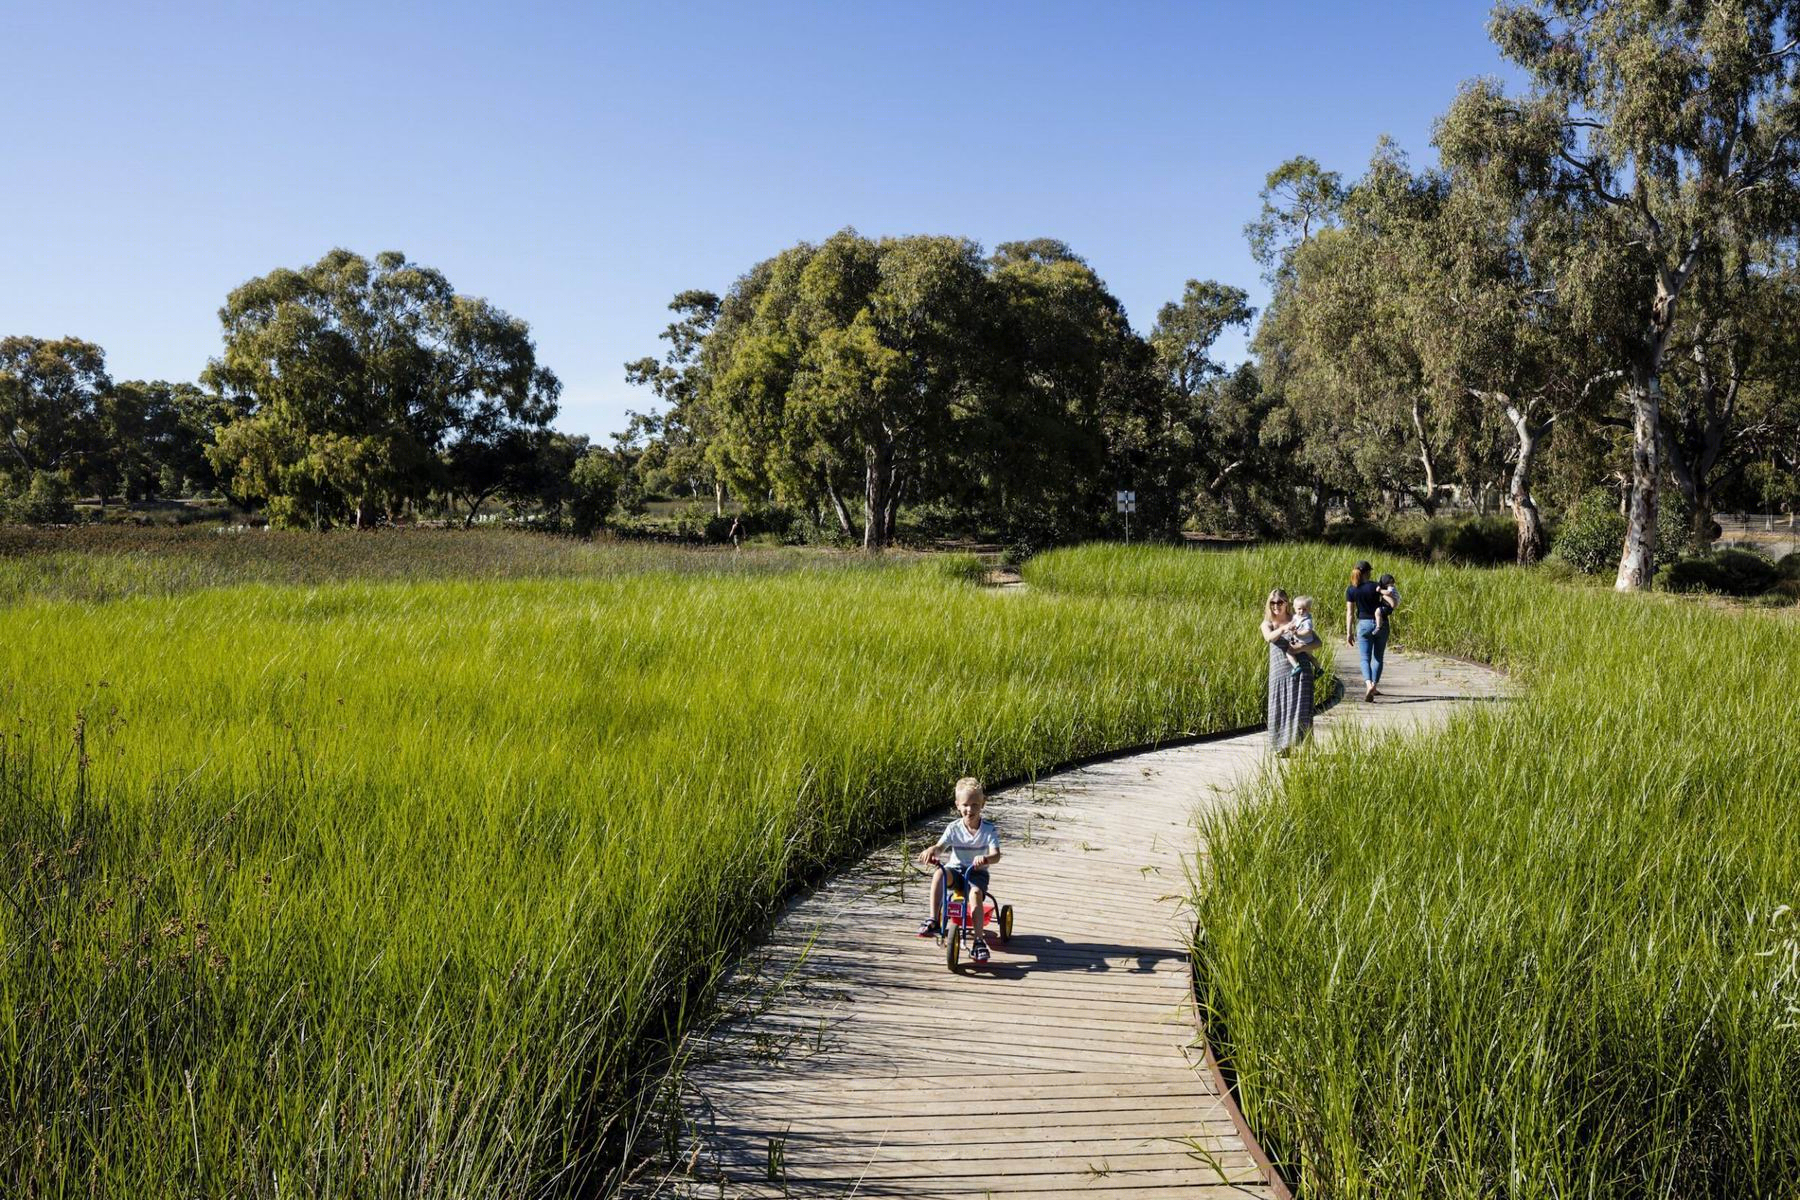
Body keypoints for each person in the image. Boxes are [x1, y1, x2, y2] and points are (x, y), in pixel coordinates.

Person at [916, 777, 1002, 962]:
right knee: (939, 872)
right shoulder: (953, 828)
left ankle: (979, 940)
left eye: (974, 805)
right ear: (957, 805)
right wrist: (932, 850)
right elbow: (940, 847)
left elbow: (996, 855)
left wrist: (986, 858)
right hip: (956, 871)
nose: (969, 809)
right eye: (965, 805)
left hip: (976, 873)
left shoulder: (988, 830)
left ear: (982, 804)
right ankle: (933, 920)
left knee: (976, 893)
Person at [1262, 589, 1320, 753]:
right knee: (1279, 709)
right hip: (1279, 674)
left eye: (1280, 602)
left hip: (1301, 670)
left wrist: (1302, 647)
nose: (1276, 606)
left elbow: (1318, 642)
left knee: (1302, 708)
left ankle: (1306, 747)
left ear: (1287, 603)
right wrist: (1283, 629)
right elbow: (1269, 637)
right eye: (1273, 602)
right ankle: (1282, 746)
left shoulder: (1297, 619)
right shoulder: (1267, 623)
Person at [1344, 560, 1389, 702]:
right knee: (1378, 657)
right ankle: (1374, 686)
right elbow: (1390, 600)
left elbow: (1350, 613)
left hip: (1363, 625)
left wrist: (1349, 633)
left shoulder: (1351, 589)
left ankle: (1368, 684)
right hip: (1380, 623)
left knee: (1365, 658)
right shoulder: (1376, 586)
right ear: (1368, 572)